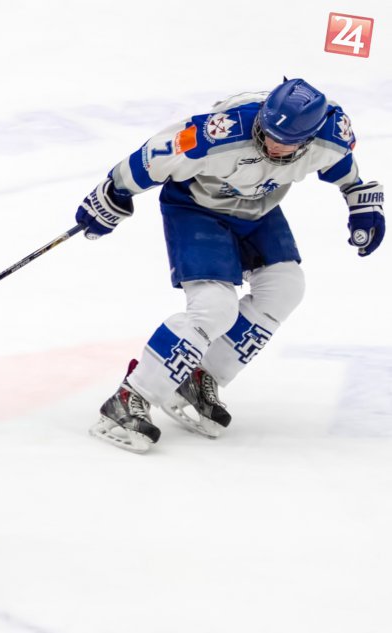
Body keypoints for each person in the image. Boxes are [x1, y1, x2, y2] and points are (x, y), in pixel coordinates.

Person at [76, 78, 384, 454]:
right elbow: (155, 155)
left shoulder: (331, 133)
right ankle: (130, 396)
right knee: (214, 307)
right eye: (268, 133)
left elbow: (340, 162)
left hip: (259, 210)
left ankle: (199, 376)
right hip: (196, 208)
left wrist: (359, 196)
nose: (272, 144)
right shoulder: (219, 133)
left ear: (310, 136)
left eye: (285, 141)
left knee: (286, 287)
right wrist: (114, 191)